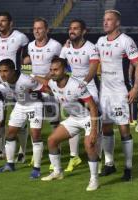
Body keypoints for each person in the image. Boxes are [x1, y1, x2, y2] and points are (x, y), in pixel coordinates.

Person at [36, 57, 99, 191]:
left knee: (89, 145)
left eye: (56, 70)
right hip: (74, 118)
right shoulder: (53, 83)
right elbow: (47, 86)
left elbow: (93, 107)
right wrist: (33, 79)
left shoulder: (76, 85)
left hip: (88, 117)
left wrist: (94, 130)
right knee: (52, 140)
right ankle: (58, 172)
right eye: (51, 70)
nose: (52, 72)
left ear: (64, 70)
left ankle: (94, 179)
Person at [96, 10, 138, 181]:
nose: (105, 22)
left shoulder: (125, 41)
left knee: (123, 129)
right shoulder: (100, 41)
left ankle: (128, 168)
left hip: (120, 92)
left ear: (117, 23)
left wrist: (136, 87)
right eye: (104, 19)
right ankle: (110, 164)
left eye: (109, 20)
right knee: (106, 128)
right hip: (104, 93)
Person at [59, 19, 100, 173]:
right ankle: (74, 156)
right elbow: (59, 66)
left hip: (88, 86)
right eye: (70, 28)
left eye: (76, 28)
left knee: (94, 121)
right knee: (74, 120)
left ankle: (98, 158)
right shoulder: (65, 48)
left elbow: (93, 69)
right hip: (72, 87)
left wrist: (82, 84)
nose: (72, 31)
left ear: (84, 31)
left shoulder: (91, 48)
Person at [24, 17, 62, 167]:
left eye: (40, 28)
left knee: (54, 122)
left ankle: (56, 154)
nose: (37, 31)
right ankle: (36, 155)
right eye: (34, 29)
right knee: (34, 122)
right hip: (34, 89)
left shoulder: (55, 46)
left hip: (50, 88)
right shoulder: (30, 46)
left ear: (46, 30)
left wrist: (44, 79)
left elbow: (58, 67)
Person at [0, 11, 29, 162]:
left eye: (3, 21)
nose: (0, 23)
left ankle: (22, 151)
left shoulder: (20, 37)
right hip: (0, 81)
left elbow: (28, 53)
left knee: (20, 115)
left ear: (10, 23)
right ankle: (1, 149)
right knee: (0, 115)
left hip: (16, 81)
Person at [0, 59, 44, 179]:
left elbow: (43, 90)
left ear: (13, 71)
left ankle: (37, 169)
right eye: (1, 71)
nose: (2, 74)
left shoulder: (26, 80)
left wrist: (33, 94)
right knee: (10, 134)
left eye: (6, 71)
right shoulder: (3, 79)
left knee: (36, 135)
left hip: (34, 105)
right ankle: (10, 164)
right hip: (20, 105)